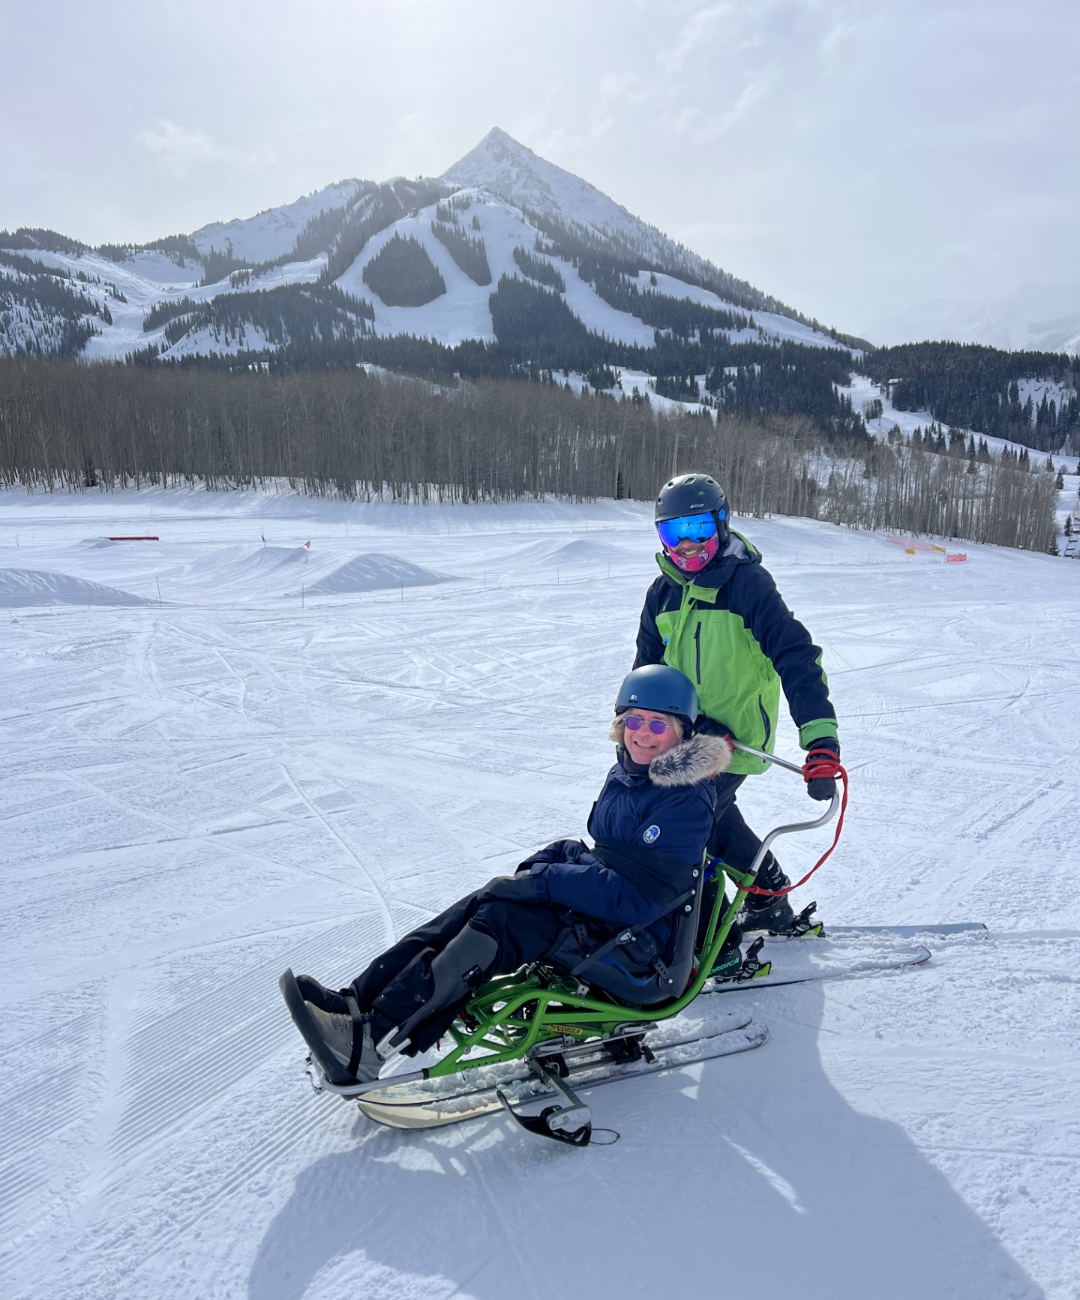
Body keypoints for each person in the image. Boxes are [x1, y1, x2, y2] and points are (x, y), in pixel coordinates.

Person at [282, 665, 733, 1085]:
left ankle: (372, 1043)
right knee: (485, 900)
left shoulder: (684, 799)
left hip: (641, 954)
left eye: (659, 725)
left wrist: (544, 882)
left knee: (501, 921)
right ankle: (357, 1004)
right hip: (609, 921)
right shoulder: (630, 773)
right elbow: (604, 854)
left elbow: (643, 898)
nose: (643, 735)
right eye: (634, 721)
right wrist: (547, 862)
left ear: (683, 735)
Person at [635, 471, 841, 950]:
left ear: (722, 524)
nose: (687, 548)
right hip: (681, 737)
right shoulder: (662, 593)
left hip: (735, 736)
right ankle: (768, 900)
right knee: (715, 820)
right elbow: (645, 672)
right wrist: (634, 729)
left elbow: (797, 657)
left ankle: (711, 945)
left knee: (684, 824)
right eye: (673, 534)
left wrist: (821, 741)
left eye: (699, 530)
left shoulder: (747, 585)